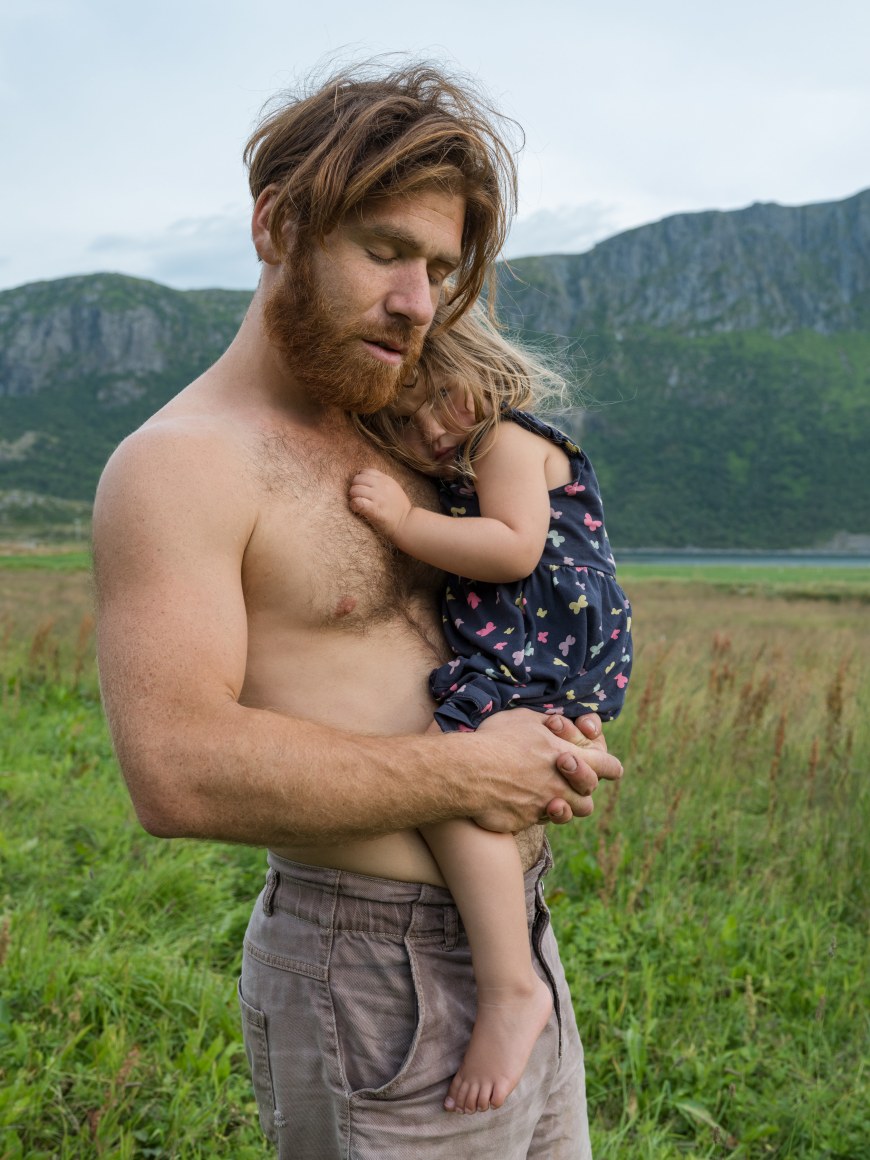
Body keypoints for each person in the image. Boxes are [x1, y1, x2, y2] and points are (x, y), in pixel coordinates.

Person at [93, 60, 623, 1158]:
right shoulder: (180, 467)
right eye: (385, 251)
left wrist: (549, 737)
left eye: (437, 266)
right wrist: (475, 771)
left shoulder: (403, 430)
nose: (418, 302)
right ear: (278, 224)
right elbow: (174, 764)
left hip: (519, 936)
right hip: (370, 971)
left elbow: (459, 644)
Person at [349, 305, 632, 1116]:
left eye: (442, 397)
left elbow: (513, 546)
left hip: (546, 645)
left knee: (450, 774)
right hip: (538, 644)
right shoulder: (476, 449)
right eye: (399, 423)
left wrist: (404, 522)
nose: (431, 429)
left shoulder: (506, 439)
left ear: (484, 371)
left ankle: (510, 985)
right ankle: (513, 975)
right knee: (461, 769)